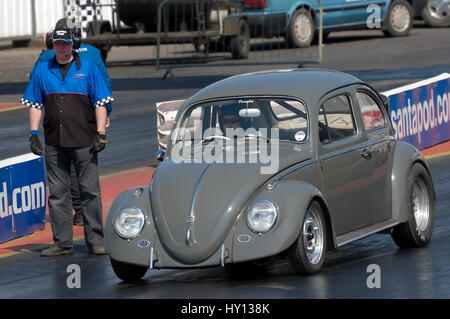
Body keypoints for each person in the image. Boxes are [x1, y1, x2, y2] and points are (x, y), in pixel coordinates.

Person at [22, 18, 113, 256]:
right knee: (58, 193)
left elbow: (101, 104)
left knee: (90, 192)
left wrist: (101, 133)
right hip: (54, 142)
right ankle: (62, 243)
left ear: (73, 44)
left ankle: (96, 241)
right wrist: (33, 134)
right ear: (52, 45)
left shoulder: (89, 68)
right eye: (57, 43)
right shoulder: (43, 69)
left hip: (84, 140)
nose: (61, 48)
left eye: (65, 43)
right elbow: (34, 104)